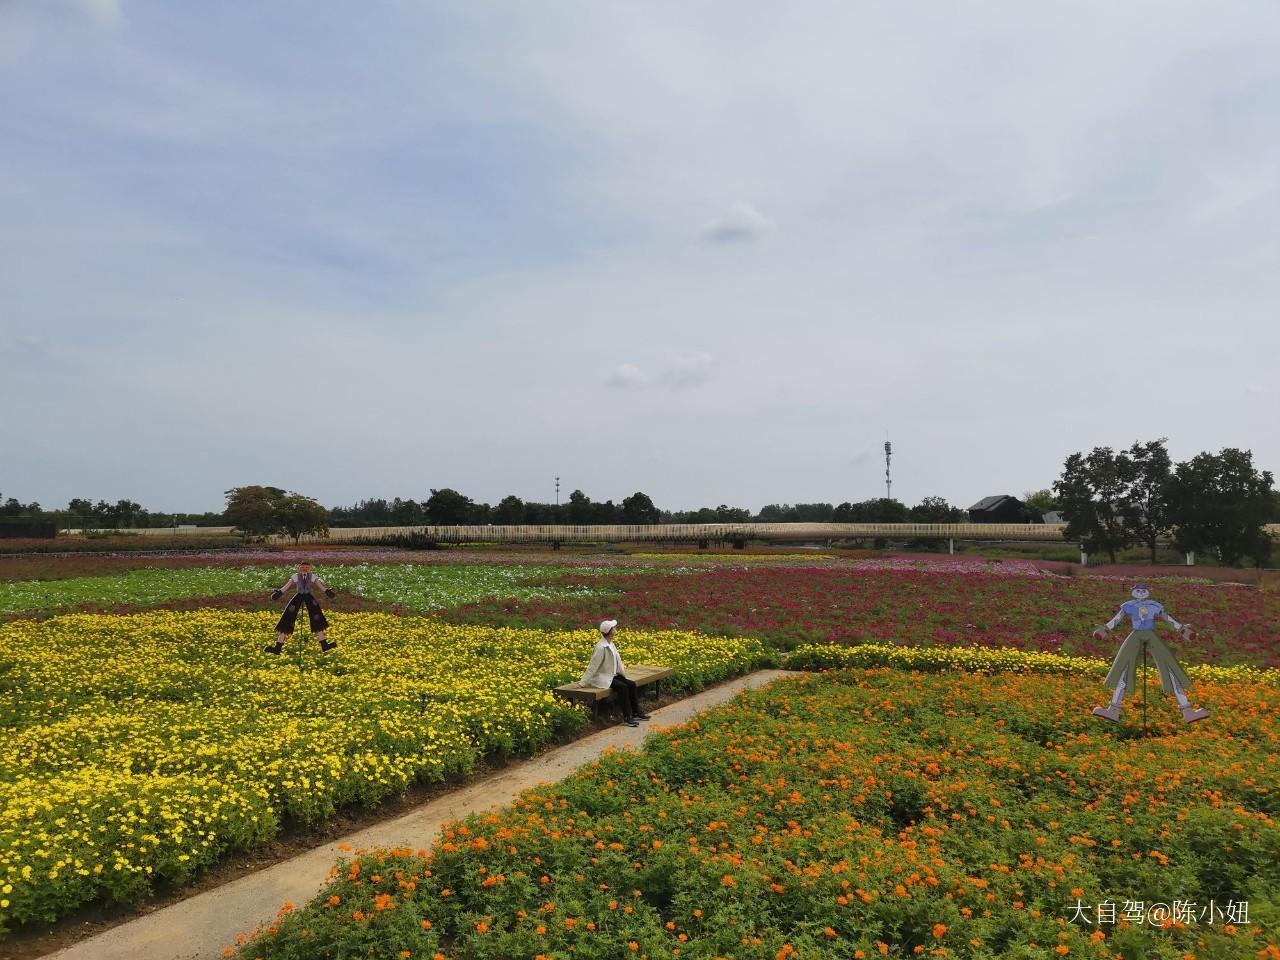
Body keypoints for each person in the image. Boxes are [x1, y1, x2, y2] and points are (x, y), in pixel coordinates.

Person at [1091, 582, 1209, 724]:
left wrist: (1182, 629)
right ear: (1133, 592)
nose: (1141, 592)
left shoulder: (1154, 606)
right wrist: (1105, 629)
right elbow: (1116, 619)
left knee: (1169, 665)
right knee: (1124, 665)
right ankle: (1113, 710)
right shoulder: (1129, 605)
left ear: (1148, 592)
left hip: (1151, 635)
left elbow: (1168, 618)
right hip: (1136, 634)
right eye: (1138, 590)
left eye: (1143, 590)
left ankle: (1187, 711)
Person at [579, 618, 650, 727]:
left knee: (631, 684)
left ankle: (636, 712)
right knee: (623, 687)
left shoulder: (610, 643)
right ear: (609, 631)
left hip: (612, 675)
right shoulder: (601, 647)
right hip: (602, 677)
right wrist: (582, 683)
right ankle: (627, 718)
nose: (616, 629)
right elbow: (592, 666)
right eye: (614, 628)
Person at [264, 561, 338, 655]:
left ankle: (324, 644)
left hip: (308, 596)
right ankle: (278, 647)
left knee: (317, 617)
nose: (304, 569)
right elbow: (288, 585)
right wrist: (279, 592)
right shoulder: (296, 576)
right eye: (303, 567)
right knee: (287, 617)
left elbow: (319, 585)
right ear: (300, 568)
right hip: (298, 596)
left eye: (307, 567)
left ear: (309, 568)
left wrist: (326, 591)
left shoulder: (312, 576)